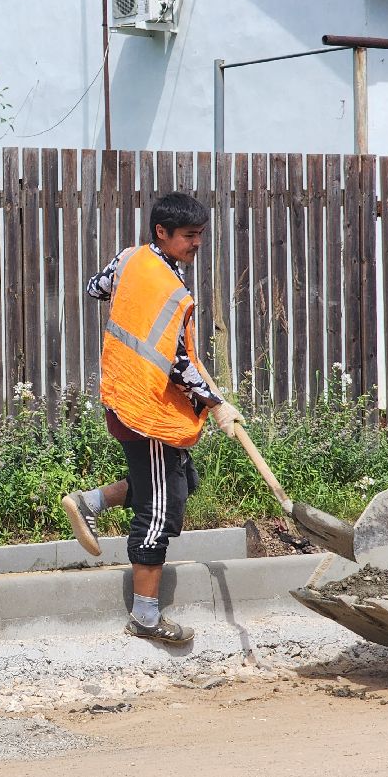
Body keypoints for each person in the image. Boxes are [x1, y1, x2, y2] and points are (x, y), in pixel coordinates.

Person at [61, 192, 242, 646]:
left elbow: (94, 288)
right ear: (162, 232)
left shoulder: (131, 259)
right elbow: (178, 363)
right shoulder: (166, 286)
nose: (197, 244)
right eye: (189, 237)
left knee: (183, 484)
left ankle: (91, 502)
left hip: (127, 396)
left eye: (200, 235)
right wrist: (216, 403)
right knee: (160, 510)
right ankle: (145, 617)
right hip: (149, 408)